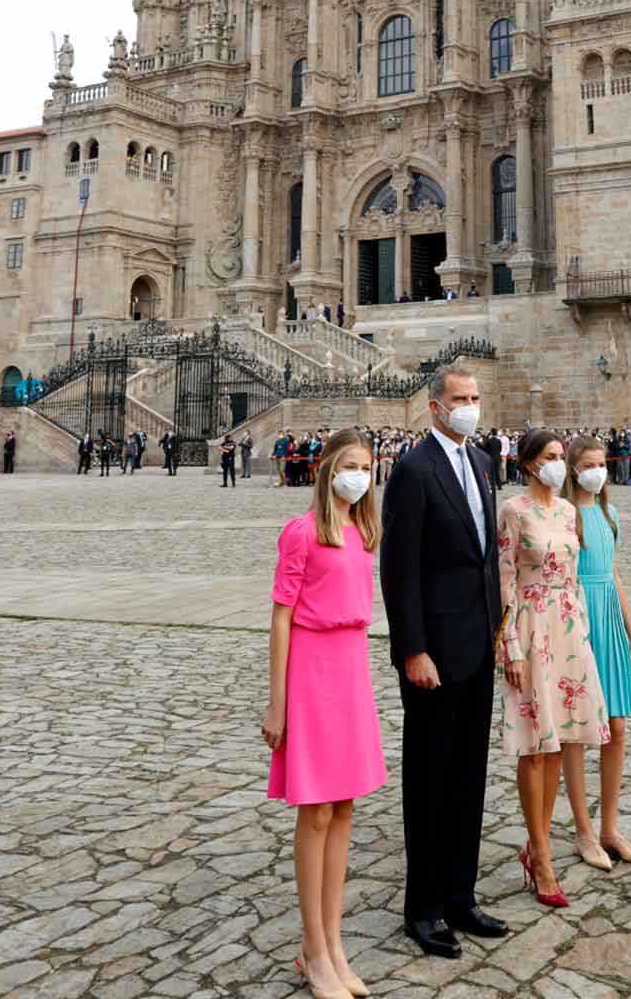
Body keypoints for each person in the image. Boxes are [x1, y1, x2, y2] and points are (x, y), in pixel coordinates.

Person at [380, 367, 507, 959]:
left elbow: (487, 562)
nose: (470, 408)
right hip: (433, 653)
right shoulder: (412, 471)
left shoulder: (483, 463)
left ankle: (461, 893)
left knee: (470, 776)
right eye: (460, 400)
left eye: (476, 399)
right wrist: (412, 648)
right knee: (429, 779)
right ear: (434, 407)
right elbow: (398, 571)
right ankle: (424, 907)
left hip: (478, 643)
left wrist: (500, 629)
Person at [263, 428, 386, 999]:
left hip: (351, 667)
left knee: (344, 807)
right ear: (329, 468)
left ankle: (334, 943)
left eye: (367, 466)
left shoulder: (365, 531)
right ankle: (312, 948)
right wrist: (277, 701)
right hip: (311, 669)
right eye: (351, 465)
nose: (359, 475)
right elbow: (282, 616)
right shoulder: (302, 532)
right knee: (314, 812)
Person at [498, 430, 609, 908]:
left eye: (561, 457)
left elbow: (573, 574)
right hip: (530, 626)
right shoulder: (513, 511)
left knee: (561, 739)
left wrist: (584, 630)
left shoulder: (569, 512)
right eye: (549, 457)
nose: (558, 465)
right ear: (527, 464)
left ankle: (538, 843)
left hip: (568, 626)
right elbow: (503, 580)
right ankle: (541, 856)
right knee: (534, 746)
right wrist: (510, 646)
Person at [562, 437, 631, 872]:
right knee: (577, 731)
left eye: (602, 463)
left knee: (616, 725)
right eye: (589, 463)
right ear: (573, 469)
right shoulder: (565, 517)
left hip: (608, 619)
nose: (597, 470)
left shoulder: (610, 516)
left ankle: (610, 827)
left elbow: (613, 574)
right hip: (577, 621)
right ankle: (583, 830)